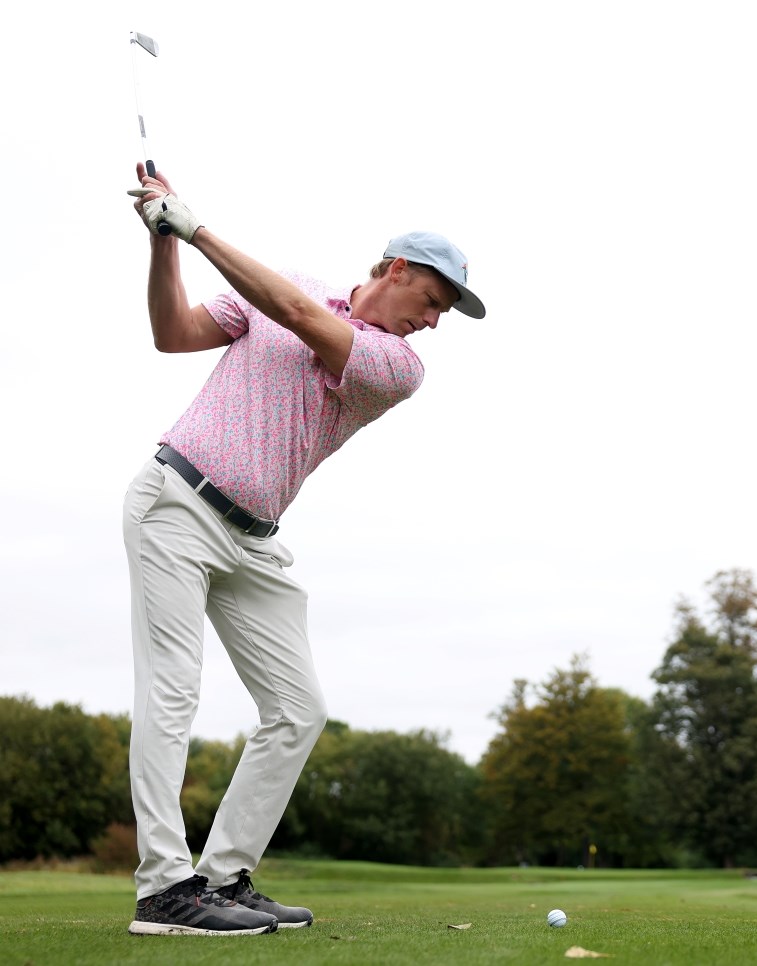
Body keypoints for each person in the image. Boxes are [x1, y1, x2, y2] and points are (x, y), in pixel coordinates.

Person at [122, 165, 485, 936]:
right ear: (396, 271)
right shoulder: (286, 286)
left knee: (298, 709)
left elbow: (287, 309)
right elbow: (173, 334)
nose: (435, 321)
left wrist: (195, 226)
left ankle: (223, 874)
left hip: (255, 541)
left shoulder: (397, 367)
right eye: (434, 300)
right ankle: (163, 889)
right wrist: (166, 243)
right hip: (177, 505)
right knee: (173, 690)